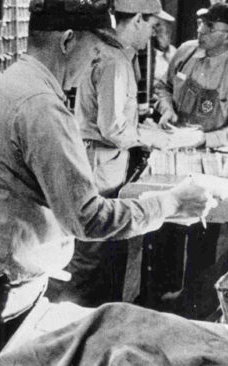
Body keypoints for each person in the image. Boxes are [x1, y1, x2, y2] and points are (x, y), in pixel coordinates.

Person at [0, 0, 216, 366]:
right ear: (66, 40)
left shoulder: (17, 84)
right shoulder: (39, 106)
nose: (96, 61)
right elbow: (88, 219)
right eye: (94, 50)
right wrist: (172, 203)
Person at [46, 0, 174, 307]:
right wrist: (151, 137)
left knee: (89, 248)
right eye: (153, 26)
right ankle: (72, 318)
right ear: (138, 21)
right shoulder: (115, 61)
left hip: (97, 158)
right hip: (100, 163)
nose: (154, 35)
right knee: (90, 252)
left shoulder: (103, 51)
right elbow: (113, 127)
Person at [155, 2, 228, 147]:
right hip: (173, 141)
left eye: (210, 27)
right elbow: (164, 88)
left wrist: (204, 139)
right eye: (201, 23)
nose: (200, 30)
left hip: (211, 150)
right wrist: (167, 109)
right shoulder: (185, 51)